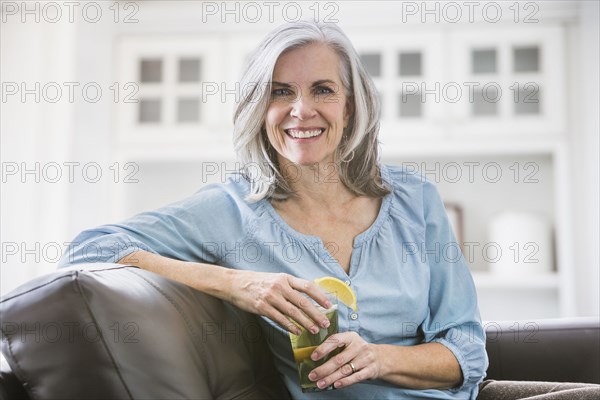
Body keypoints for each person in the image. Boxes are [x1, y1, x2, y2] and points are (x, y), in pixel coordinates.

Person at [61, 21, 488, 398]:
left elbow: (467, 351)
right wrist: (237, 284)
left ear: (351, 105)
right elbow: (87, 251)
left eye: (323, 89)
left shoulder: (415, 200)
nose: (301, 110)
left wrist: (378, 359)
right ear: (259, 109)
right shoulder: (230, 209)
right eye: (280, 92)